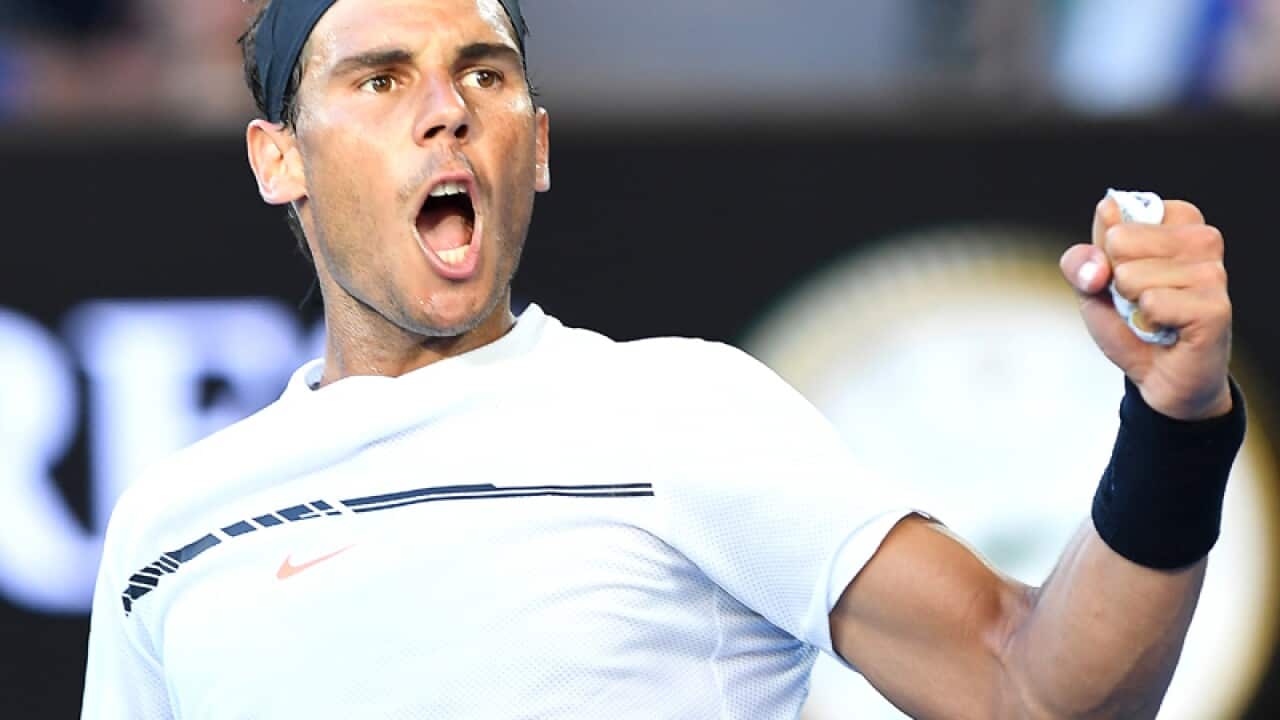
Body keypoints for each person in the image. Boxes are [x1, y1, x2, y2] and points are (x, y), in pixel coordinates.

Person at [80, 0, 1246, 717]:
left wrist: (1175, 426)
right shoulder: (167, 529)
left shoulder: (684, 413)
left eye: (484, 73)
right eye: (379, 79)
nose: (445, 111)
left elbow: (1031, 693)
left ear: (532, 148)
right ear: (277, 158)